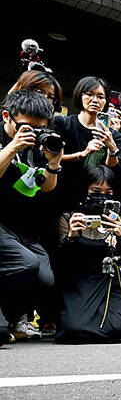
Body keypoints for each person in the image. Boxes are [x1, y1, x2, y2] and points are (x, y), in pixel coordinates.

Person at [0, 90, 63, 344]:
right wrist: (14, 145)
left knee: (46, 280)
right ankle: (11, 317)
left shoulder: (38, 143)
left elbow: (46, 186)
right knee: (25, 263)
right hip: (1, 223)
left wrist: (53, 164)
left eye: (41, 128)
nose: (34, 133)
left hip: (24, 227)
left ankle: (16, 316)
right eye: (28, 126)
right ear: (7, 116)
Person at [54, 166, 121, 343]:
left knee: (119, 328)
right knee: (73, 330)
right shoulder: (69, 218)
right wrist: (71, 236)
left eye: (108, 192)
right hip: (78, 281)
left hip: (108, 281)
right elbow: (62, 261)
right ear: (85, 190)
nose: (102, 196)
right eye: (96, 191)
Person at [52, 76, 121, 212]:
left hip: (93, 200)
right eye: (89, 94)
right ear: (80, 95)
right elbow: (52, 159)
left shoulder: (115, 135)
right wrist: (82, 153)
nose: (95, 100)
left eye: (101, 96)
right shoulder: (62, 123)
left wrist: (111, 146)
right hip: (62, 191)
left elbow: (114, 171)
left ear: (106, 101)